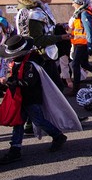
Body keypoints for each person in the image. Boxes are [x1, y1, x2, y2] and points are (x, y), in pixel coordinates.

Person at [0, 35, 80, 164]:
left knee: (39, 121)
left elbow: (29, 82)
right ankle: (15, 149)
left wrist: (13, 82)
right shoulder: (19, 63)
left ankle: (58, 136)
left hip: (31, 98)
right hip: (21, 98)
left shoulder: (31, 64)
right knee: (18, 123)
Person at [28, 0, 72, 92]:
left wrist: (59, 27)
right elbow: (37, 39)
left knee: (57, 88)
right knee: (52, 90)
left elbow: (47, 28)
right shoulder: (35, 13)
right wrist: (60, 37)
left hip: (48, 55)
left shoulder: (44, 8)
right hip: (40, 57)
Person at [68, 0, 92, 95]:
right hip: (79, 43)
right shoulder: (79, 13)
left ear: (79, 3)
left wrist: (89, 45)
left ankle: (76, 88)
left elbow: (89, 30)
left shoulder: (84, 14)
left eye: (73, 2)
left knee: (75, 64)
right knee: (84, 64)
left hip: (82, 44)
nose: (72, 4)